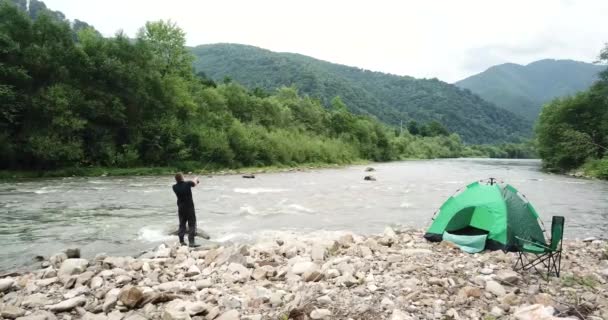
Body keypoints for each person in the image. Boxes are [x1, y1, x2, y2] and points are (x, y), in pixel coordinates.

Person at [172, 172, 200, 247]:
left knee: (182, 224)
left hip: (181, 208)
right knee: (192, 224)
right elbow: (194, 183)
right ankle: (191, 242)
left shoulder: (174, 187)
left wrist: (194, 181)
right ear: (182, 177)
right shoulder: (187, 184)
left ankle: (181, 241)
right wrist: (196, 179)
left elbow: (189, 184)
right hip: (189, 207)